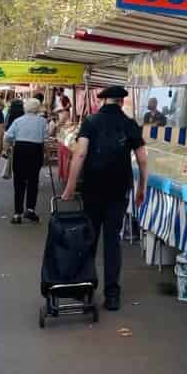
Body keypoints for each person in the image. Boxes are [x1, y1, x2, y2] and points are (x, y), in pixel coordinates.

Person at [62, 85, 148, 311]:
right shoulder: (130, 124)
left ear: (103, 101)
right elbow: (142, 159)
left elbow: (80, 154)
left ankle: (85, 289)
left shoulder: (90, 122)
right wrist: (142, 188)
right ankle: (112, 295)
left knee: (89, 238)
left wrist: (70, 186)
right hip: (119, 189)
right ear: (121, 102)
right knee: (112, 241)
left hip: (93, 187)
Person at [3, 98, 48, 224]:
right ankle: (30, 209)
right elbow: (45, 139)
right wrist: (46, 155)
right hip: (36, 151)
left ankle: (17, 213)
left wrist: (6, 150)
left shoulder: (18, 121)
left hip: (20, 150)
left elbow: (8, 136)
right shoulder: (42, 121)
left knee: (19, 182)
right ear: (38, 108)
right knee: (33, 181)